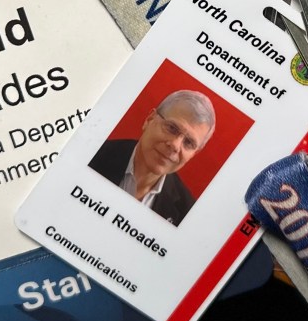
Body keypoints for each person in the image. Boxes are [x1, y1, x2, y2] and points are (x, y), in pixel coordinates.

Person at [89, 89, 216, 226]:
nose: (175, 145)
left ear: (194, 154)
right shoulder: (91, 154)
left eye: (189, 142)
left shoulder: (187, 214)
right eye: (172, 128)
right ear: (149, 120)